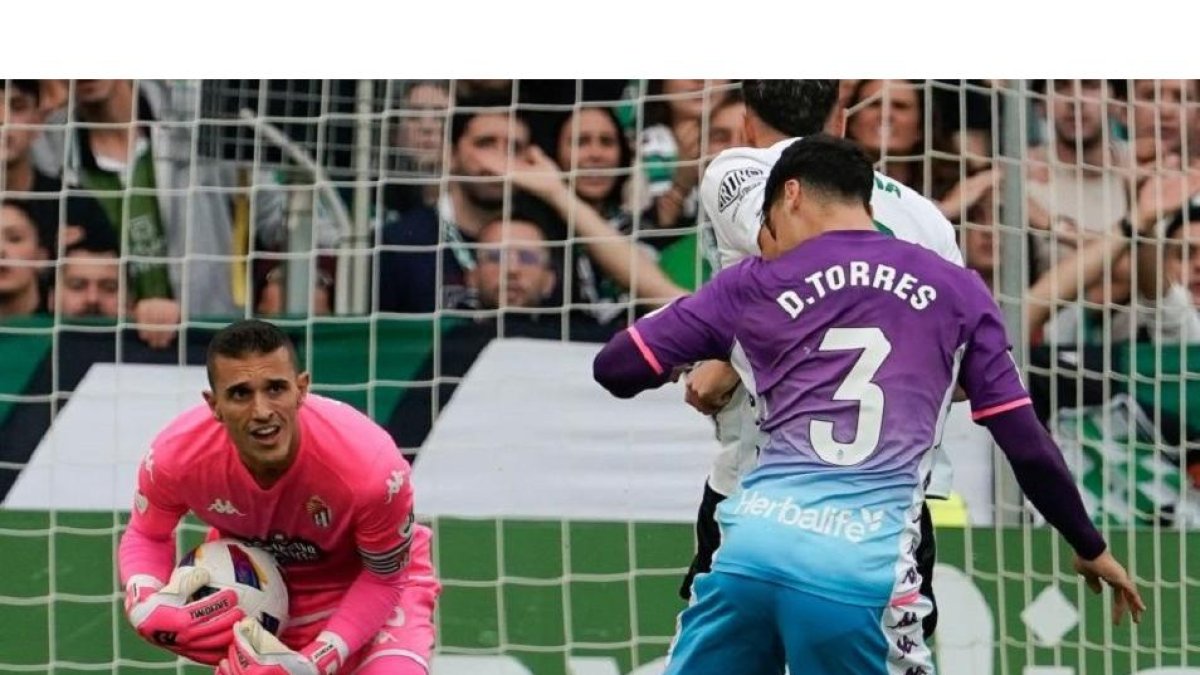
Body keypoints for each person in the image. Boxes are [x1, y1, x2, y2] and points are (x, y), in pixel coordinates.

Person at [592, 134, 1145, 675]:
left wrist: (708, 347)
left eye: (764, 221)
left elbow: (616, 368)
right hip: (862, 567)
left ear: (790, 196)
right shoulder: (957, 290)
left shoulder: (753, 283)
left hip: (749, 553)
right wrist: (1086, 542)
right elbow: (1023, 440)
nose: (764, 237)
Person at [684, 79, 961, 640]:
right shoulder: (927, 219)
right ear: (842, 121)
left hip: (763, 489)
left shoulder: (746, 170)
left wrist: (724, 358)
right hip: (891, 506)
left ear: (743, 120)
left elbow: (807, 267)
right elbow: (960, 377)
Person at [118, 319, 440, 674]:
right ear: (214, 405)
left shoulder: (370, 468)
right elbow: (147, 533)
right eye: (241, 393)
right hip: (258, 600)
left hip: (371, 590)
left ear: (302, 389)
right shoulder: (176, 456)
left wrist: (318, 660)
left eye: (276, 389)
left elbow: (385, 577)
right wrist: (142, 598)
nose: (262, 411)